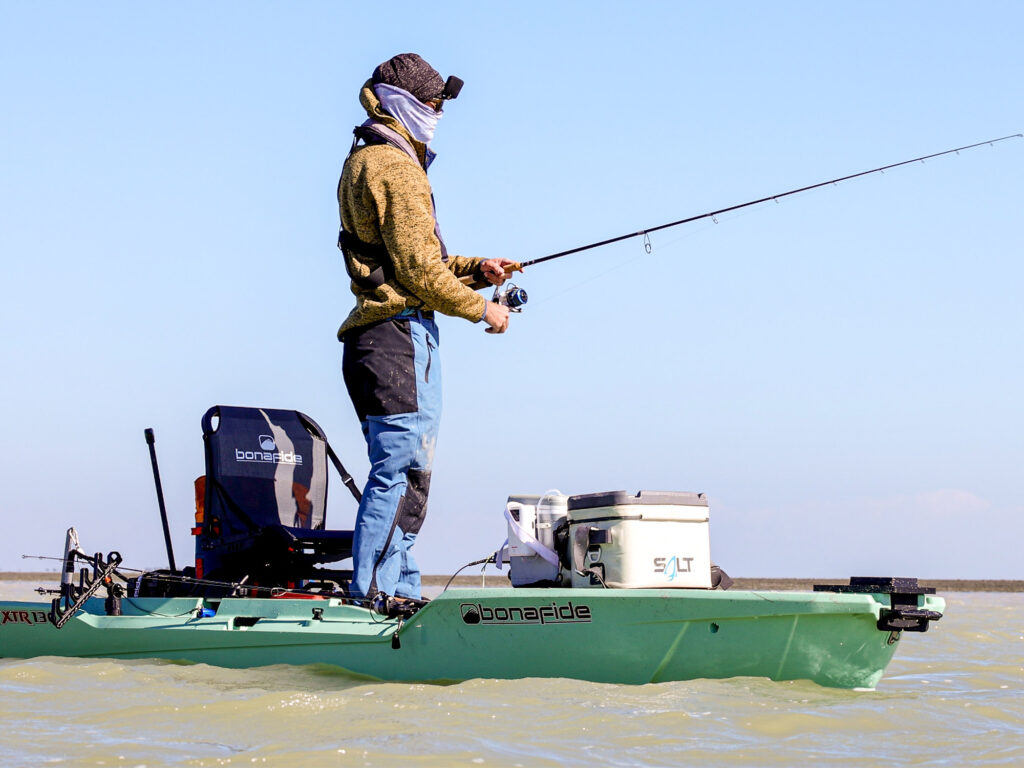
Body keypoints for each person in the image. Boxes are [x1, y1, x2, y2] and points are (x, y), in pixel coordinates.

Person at [336, 53, 517, 602]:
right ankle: (370, 599)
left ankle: (399, 591)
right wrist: (483, 309)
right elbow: (416, 272)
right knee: (402, 470)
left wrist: (476, 271)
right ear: (400, 102)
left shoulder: (372, 157)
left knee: (407, 472)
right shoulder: (394, 166)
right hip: (398, 340)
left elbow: (414, 259)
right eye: (432, 102)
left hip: (382, 341)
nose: (438, 111)